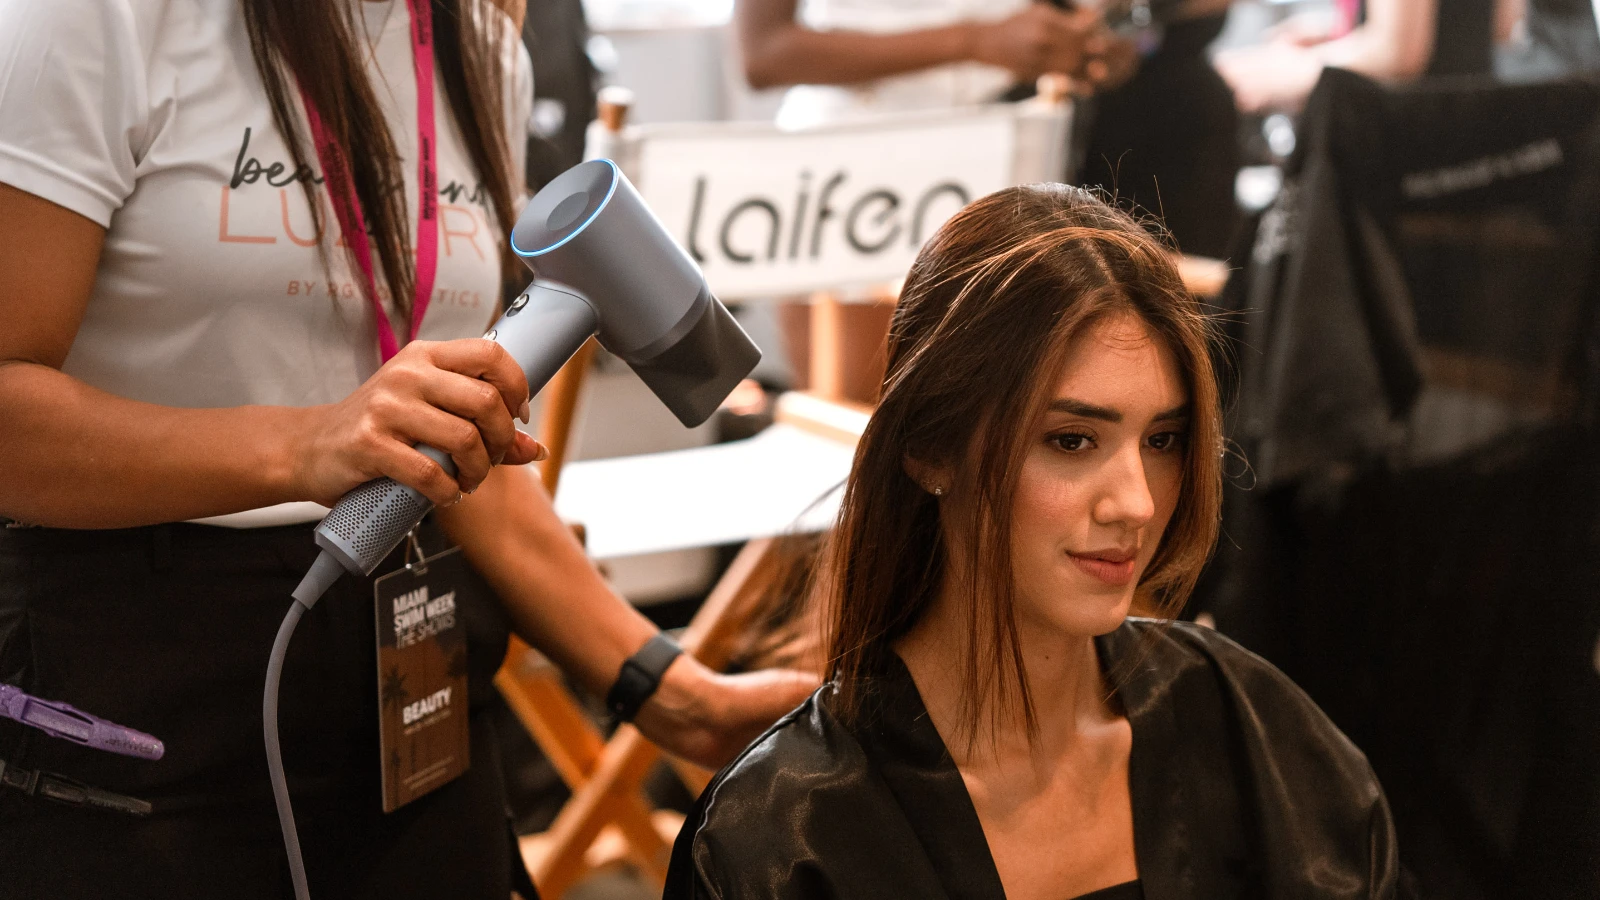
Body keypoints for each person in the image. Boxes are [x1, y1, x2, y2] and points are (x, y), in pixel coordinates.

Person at [0, 0, 814, 897]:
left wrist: (679, 698)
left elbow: (453, 445)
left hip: (410, 678)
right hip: (137, 681)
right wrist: (304, 444)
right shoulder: (94, 20)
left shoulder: (480, 49)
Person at [666, 185, 1403, 899]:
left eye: (1163, 440)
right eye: (1072, 440)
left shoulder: (1258, 743)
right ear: (929, 447)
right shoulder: (784, 840)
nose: (1137, 504)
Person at [1214, 0, 1497, 115]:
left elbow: (1396, 53)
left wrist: (1280, 72)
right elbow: (1501, 26)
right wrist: (1335, 34)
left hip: (1414, 136)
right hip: (1470, 113)